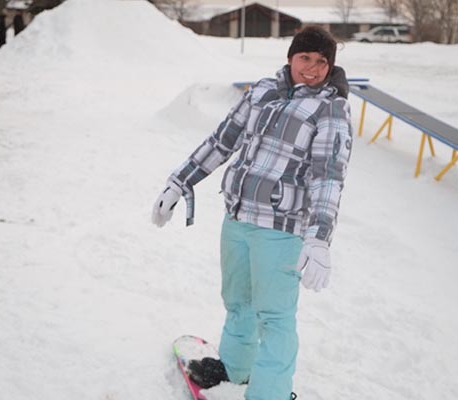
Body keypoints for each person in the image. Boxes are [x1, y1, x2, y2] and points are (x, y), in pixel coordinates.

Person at [151, 26, 352, 400]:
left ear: (330, 67)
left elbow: (329, 178)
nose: (312, 68)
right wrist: (180, 182)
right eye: (305, 57)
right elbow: (222, 140)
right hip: (238, 219)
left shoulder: (331, 108)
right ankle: (235, 369)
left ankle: (270, 394)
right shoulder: (262, 90)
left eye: (322, 62)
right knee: (238, 302)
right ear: (291, 57)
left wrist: (319, 238)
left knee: (274, 318)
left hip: (281, 230)